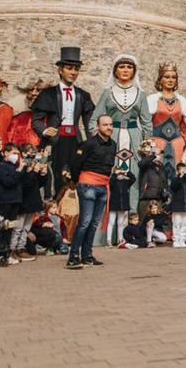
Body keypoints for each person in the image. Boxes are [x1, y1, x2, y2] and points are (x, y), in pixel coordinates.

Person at [31, 47, 95, 198]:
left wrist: (92, 144)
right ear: (60, 70)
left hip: (75, 140)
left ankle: (71, 212)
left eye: (76, 69)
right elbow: (36, 121)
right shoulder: (49, 94)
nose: (73, 72)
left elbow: (89, 124)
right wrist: (45, 130)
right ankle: (52, 209)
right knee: (54, 176)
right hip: (55, 141)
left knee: (74, 175)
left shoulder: (83, 95)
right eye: (69, 68)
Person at [92, 54, 152, 208]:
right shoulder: (108, 92)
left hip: (134, 138)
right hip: (112, 136)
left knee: (133, 176)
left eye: (129, 67)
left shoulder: (140, 94)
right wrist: (98, 141)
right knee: (111, 174)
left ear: (134, 71)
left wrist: (146, 145)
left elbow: (146, 122)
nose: (125, 70)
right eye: (122, 66)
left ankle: (131, 220)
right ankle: (107, 226)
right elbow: (94, 119)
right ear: (115, 70)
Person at [65, 115, 116, 270]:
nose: (109, 127)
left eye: (111, 124)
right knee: (85, 222)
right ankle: (73, 256)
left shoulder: (113, 144)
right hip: (88, 184)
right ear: (98, 127)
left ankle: (87, 255)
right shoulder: (89, 144)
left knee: (94, 223)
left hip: (103, 186)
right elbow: (75, 163)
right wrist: (75, 181)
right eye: (105, 124)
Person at [147, 63, 186, 179]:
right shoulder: (152, 99)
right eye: (167, 77)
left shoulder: (182, 100)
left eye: (173, 77)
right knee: (156, 177)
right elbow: (146, 124)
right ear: (160, 79)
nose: (170, 80)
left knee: (177, 177)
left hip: (177, 144)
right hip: (157, 144)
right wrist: (148, 145)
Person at [0, 143, 25, 264]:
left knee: (10, 228)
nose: (16, 156)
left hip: (15, 200)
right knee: (3, 227)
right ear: (6, 153)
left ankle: (7, 253)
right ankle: (0, 253)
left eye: (17, 154)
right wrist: (18, 171)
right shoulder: (1, 166)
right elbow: (8, 182)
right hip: (5, 201)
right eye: (14, 153)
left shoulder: (15, 167)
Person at [5, 79, 46, 149]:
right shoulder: (18, 119)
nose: (33, 93)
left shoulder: (54, 120)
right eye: (31, 90)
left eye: (38, 90)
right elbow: (9, 144)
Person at [137, 141, 169, 226]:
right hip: (146, 197)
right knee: (143, 220)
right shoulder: (145, 164)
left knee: (157, 222)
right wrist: (153, 155)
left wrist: (166, 195)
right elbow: (141, 164)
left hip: (159, 198)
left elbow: (164, 181)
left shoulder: (161, 166)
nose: (159, 156)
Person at [107, 165, 135, 247]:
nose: (119, 173)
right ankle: (109, 240)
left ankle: (120, 239)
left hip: (123, 205)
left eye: (120, 171)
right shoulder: (113, 180)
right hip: (113, 204)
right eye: (117, 171)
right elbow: (110, 183)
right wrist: (114, 174)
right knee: (111, 222)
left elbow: (133, 179)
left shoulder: (125, 181)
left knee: (120, 223)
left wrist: (126, 172)